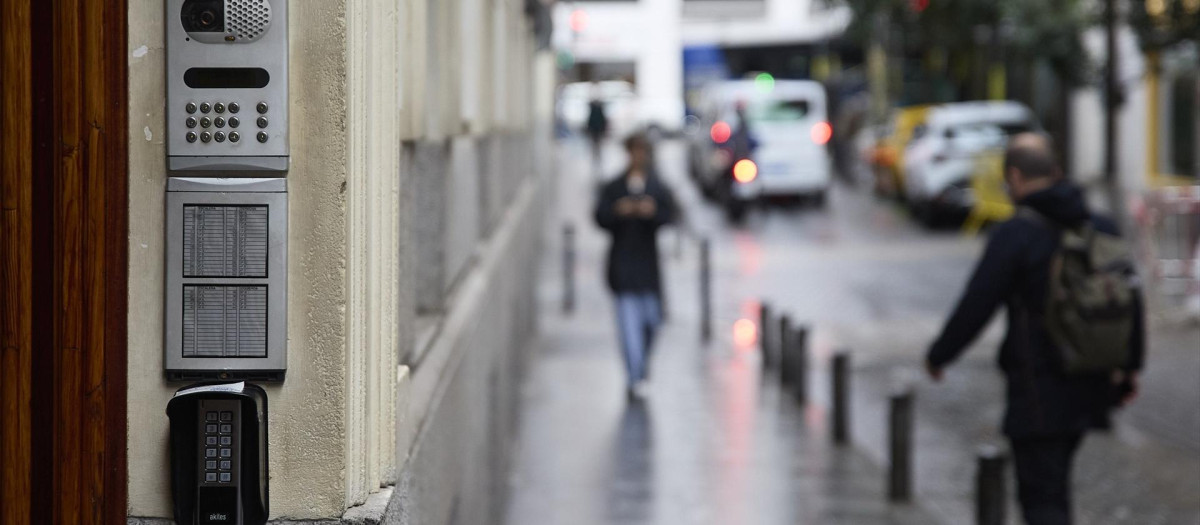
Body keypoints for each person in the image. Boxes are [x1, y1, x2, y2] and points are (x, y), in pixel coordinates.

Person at [925, 133, 1144, 525]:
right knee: (1056, 485)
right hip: (1091, 381)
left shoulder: (1016, 234)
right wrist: (1129, 367)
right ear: (1056, 172)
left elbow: (978, 304)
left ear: (1014, 176)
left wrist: (939, 355)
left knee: (1042, 498)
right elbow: (1129, 296)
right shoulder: (1101, 225)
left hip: (1037, 387)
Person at [594, 133, 678, 400]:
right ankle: (634, 377)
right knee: (629, 327)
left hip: (648, 269)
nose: (638, 157)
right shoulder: (615, 186)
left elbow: (670, 214)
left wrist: (650, 212)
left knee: (652, 322)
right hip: (623, 267)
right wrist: (620, 211)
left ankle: (641, 368)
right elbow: (600, 216)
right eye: (634, 151)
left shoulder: (655, 185)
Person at [586, 93, 609, 175]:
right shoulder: (593, 108)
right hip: (594, 129)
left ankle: (598, 157)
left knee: (598, 144)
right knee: (594, 144)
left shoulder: (599, 107)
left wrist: (603, 128)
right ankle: (595, 156)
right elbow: (590, 119)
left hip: (598, 129)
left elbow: (602, 119)